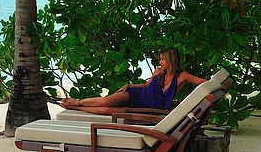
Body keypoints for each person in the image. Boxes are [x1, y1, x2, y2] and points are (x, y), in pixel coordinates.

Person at [59, 47, 206, 115]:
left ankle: (75, 107)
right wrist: (129, 85)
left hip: (147, 106)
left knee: (105, 111)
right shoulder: (158, 71)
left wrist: (215, 88)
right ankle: (77, 102)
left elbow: (204, 83)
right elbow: (146, 86)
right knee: (105, 102)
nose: (160, 62)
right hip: (136, 94)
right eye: (160, 59)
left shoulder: (182, 76)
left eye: (162, 59)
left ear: (170, 60)